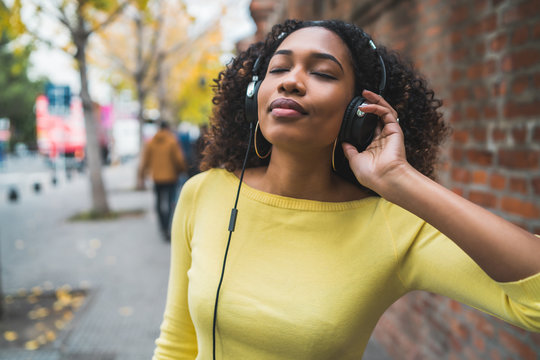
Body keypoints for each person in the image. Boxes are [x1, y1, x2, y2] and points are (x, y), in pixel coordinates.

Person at [152, 19, 540, 359]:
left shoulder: (392, 226)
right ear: (256, 93)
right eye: (279, 68)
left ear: (358, 110)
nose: (290, 80)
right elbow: (175, 344)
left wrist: (401, 180)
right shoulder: (203, 193)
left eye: (322, 73)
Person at [139, 120, 186, 240]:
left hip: (156, 178)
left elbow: (145, 161)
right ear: (167, 128)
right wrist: (182, 170)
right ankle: (168, 227)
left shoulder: (151, 143)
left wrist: (142, 176)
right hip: (171, 177)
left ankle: (162, 227)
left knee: (159, 203)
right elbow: (179, 159)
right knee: (171, 203)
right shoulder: (172, 141)